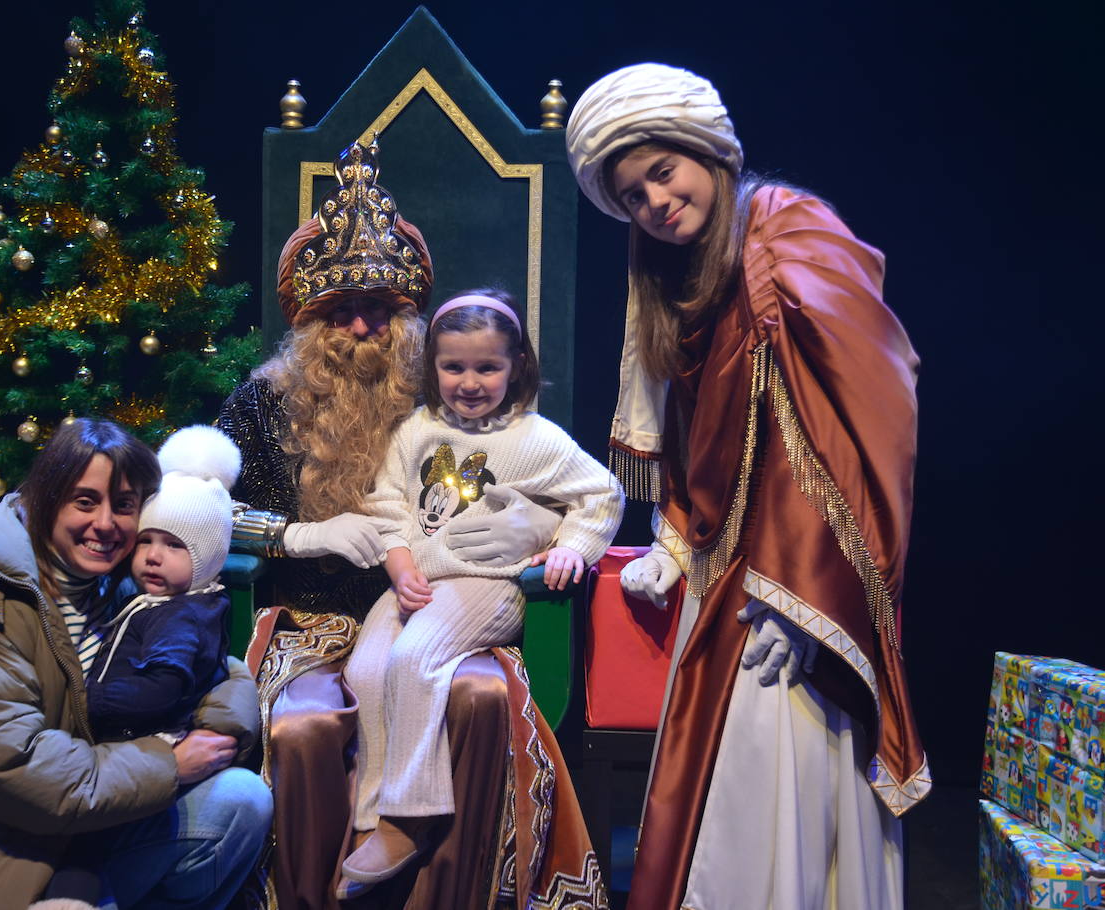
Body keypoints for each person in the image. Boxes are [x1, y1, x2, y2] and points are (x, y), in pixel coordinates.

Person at [566, 63, 930, 909]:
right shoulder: (679, 278)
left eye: (663, 172)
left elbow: (869, 414)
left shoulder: (792, 235)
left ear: (707, 152)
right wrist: (670, 536)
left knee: (782, 776)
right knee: (718, 797)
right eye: (632, 195)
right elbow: (700, 438)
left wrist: (807, 595)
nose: (655, 201)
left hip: (799, 591)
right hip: (723, 574)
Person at [218, 140, 609, 909]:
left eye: (381, 309)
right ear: (309, 316)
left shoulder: (443, 397)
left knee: (480, 699)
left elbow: (556, 488)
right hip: (313, 621)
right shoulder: (262, 404)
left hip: (452, 605)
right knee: (302, 731)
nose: (361, 326)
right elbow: (196, 514)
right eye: (340, 310)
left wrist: (533, 533)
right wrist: (299, 535)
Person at [0, 418, 272, 910]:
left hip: (78, 836)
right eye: (85, 501)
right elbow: (11, 768)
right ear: (45, 498)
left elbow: (213, 666)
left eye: (123, 506)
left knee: (240, 800)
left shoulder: (117, 588)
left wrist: (218, 730)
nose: (105, 523)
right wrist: (172, 763)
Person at [339, 291, 624, 893]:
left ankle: (410, 815)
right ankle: (370, 814)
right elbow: (388, 502)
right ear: (433, 368)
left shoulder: (536, 438)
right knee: (366, 669)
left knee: (415, 658)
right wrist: (396, 562)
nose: (470, 382)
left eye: (487, 367)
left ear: (516, 365)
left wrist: (571, 547)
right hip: (419, 581)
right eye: (454, 367)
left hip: (488, 584)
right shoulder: (417, 429)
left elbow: (602, 495)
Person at [44, 424, 259, 903]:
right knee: (80, 860)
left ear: (205, 560)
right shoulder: (149, 601)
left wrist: (84, 698)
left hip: (142, 750)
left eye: (174, 546)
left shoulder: (181, 616)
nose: (153, 557)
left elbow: (161, 686)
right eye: (146, 541)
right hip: (109, 766)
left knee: (86, 858)